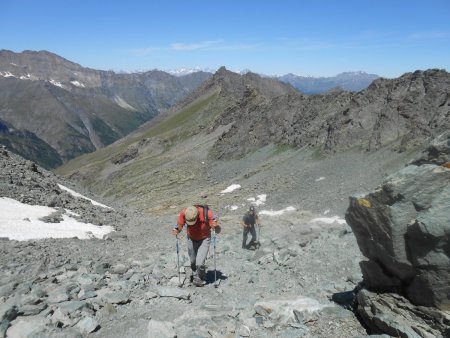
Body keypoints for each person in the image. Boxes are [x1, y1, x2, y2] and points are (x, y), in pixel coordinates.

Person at [172, 205, 219, 286]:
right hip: (191, 238)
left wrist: (216, 226)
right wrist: (176, 230)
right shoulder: (184, 213)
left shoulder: (207, 213)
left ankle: (200, 278)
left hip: (205, 239)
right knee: (193, 261)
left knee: (200, 263)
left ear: (197, 216)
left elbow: (217, 229)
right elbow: (179, 226)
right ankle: (195, 275)